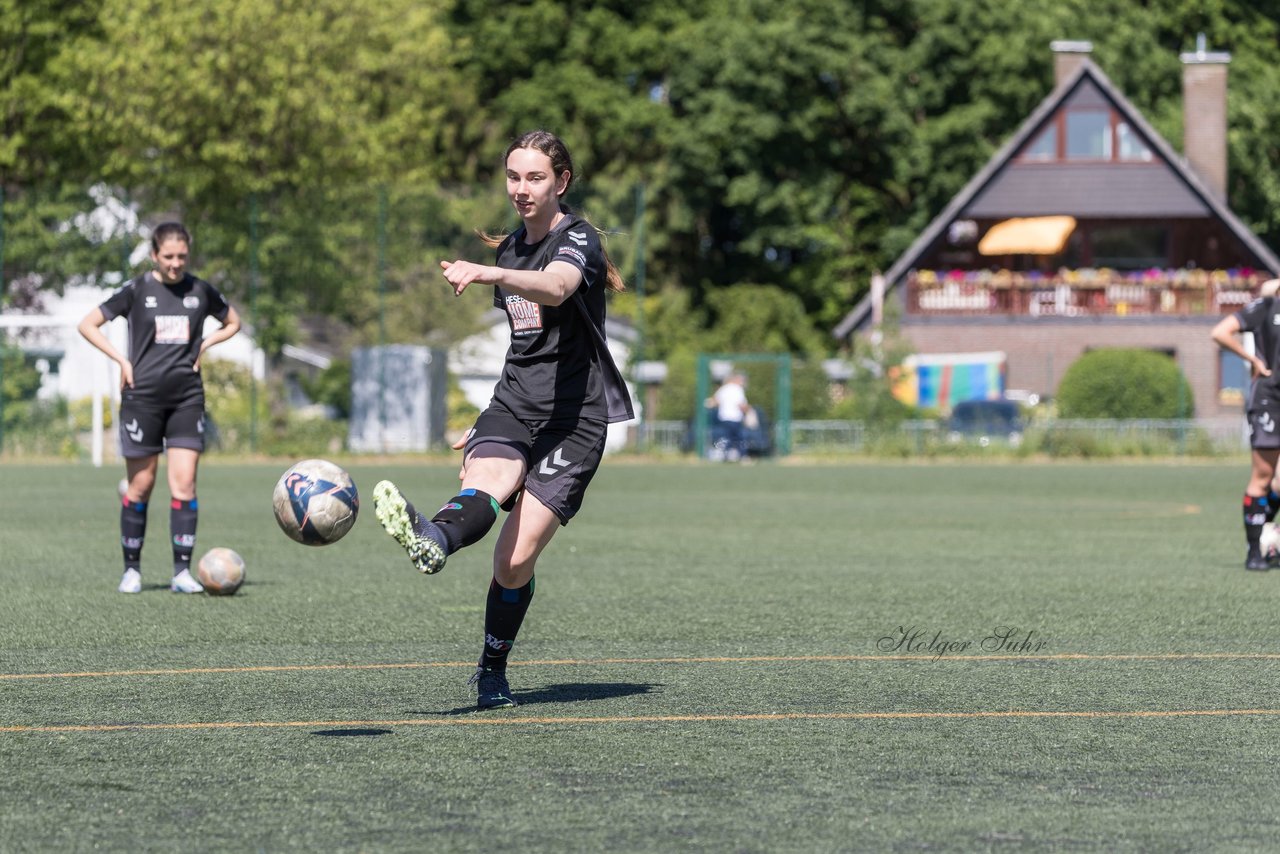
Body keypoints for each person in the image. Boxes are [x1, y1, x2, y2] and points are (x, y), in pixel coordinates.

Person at [372, 130, 633, 709]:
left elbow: (559, 288)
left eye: (535, 177)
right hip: (514, 404)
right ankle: (431, 537)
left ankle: (492, 667)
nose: (521, 189)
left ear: (561, 182)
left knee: (512, 561)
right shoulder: (510, 248)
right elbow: (526, 346)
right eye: (513, 176)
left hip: (574, 422)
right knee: (486, 483)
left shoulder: (579, 240)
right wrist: (486, 415)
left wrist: (489, 274)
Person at [78, 222, 241, 593]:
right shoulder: (137, 290)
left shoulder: (200, 290)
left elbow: (233, 322)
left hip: (187, 398)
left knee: (184, 484)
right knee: (141, 485)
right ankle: (131, 570)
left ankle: (181, 572)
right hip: (142, 399)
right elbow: (88, 324)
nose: (175, 263)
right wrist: (121, 360)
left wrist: (207, 344)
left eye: (182, 256)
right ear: (154, 254)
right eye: (168, 256)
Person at [1211, 277, 1280, 570]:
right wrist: (1252, 358)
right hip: (1269, 400)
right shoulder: (1265, 307)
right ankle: (1254, 552)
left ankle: (1267, 536)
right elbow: (1220, 332)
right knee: (1263, 477)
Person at [708, 372, 750, 461]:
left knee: (727, 437)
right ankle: (743, 456)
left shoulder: (723, 389)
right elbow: (741, 405)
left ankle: (725, 456)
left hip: (724, 417)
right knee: (739, 438)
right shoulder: (738, 389)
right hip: (735, 417)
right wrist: (748, 412)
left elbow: (715, 401)